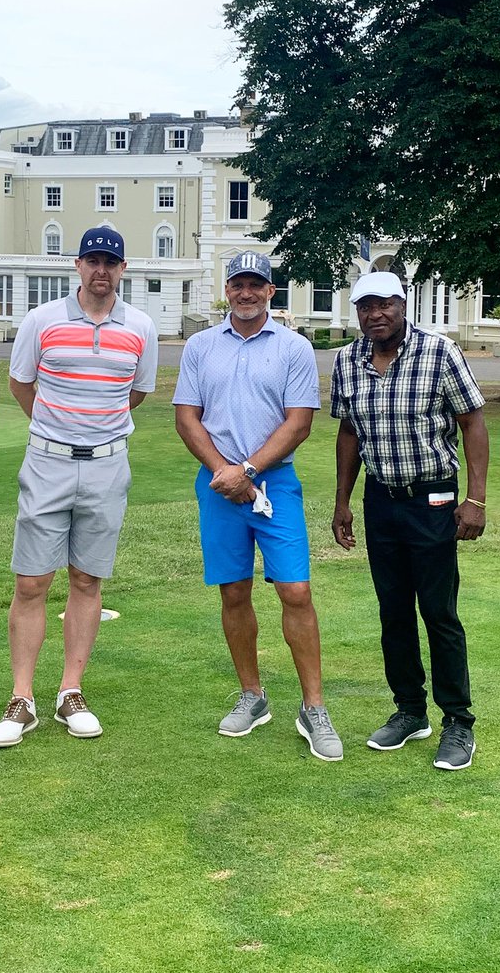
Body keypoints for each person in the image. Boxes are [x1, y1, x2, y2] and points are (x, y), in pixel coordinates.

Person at [0, 226, 158, 748]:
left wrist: (96, 429)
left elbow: (137, 392)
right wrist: (58, 429)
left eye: (111, 262)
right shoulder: (41, 321)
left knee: (87, 581)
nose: (101, 270)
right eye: (92, 261)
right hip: (47, 464)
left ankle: (70, 691)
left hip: (108, 466)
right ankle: (22, 698)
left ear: (122, 269)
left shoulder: (141, 328)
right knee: (31, 583)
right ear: (77, 266)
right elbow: (21, 384)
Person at [174, 251, 343, 762]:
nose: (246, 293)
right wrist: (226, 474)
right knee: (233, 591)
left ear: (272, 291)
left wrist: (246, 471)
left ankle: (313, 707)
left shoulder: (293, 347)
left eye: (256, 285)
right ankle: (253, 696)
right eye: (237, 284)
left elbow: (299, 423)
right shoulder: (201, 346)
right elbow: (187, 417)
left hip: (275, 485)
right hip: (218, 485)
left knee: (295, 590)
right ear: (227, 290)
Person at [330, 270, 489, 772]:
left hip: (435, 498)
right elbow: (349, 432)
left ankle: (458, 723)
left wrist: (476, 500)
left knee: (438, 611)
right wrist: (342, 502)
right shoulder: (348, 360)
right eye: (365, 307)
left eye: (384, 305)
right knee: (393, 610)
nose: (375, 315)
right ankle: (409, 711)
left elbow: (472, 424)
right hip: (382, 500)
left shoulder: (439, 352)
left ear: (403, 305)